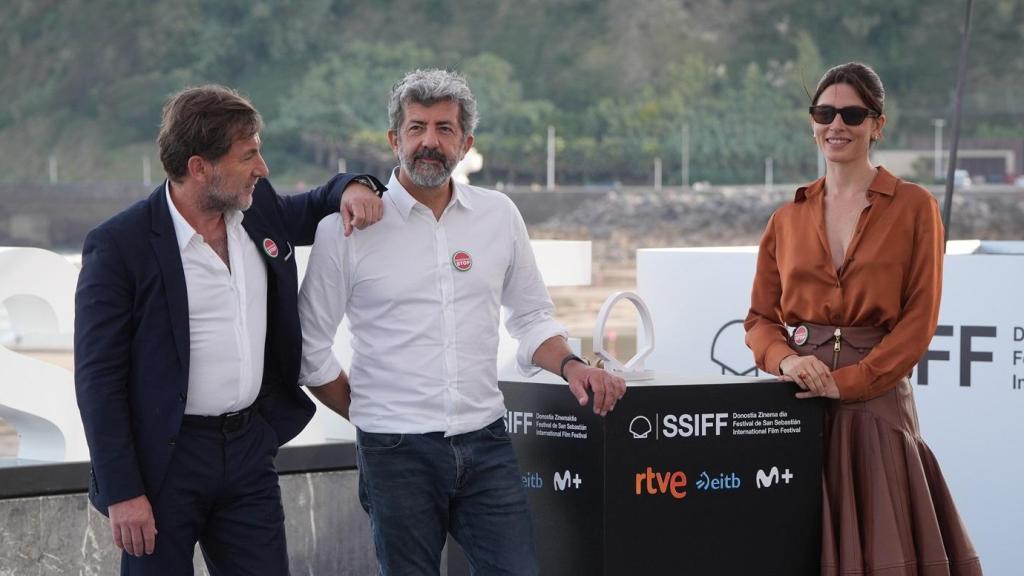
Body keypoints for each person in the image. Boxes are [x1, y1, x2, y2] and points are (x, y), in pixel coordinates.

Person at [297, 69, 627, 575]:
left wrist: (573, 366)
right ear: (394, 139)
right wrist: (369, 417)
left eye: (445, 128)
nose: (430, 141)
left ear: (466, 142)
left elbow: (532, 317)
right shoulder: (345, 231)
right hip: (395, 454)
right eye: (417, 127)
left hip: (485, 442)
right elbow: (310, 349)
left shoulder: (498, 215)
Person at [74, 84, 386, 575]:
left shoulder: (259, 212)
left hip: (248, 453)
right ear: (200, 167)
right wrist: (124, 492)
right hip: (163, 466)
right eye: (248, 156)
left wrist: (355, 186)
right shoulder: (119, 246)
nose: (261, 169)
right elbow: (98, 380)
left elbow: (319, 201)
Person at [744, 62, 982, 575]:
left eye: (852, 114)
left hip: (876, 413)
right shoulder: (785, 219)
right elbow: (760, 320)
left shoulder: (916, 207)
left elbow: (918, 323)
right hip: (795, 415)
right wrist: (786, 362)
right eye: (824, 112)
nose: (837, 125)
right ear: (812, 121)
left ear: (878, 124)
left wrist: (848, 383)